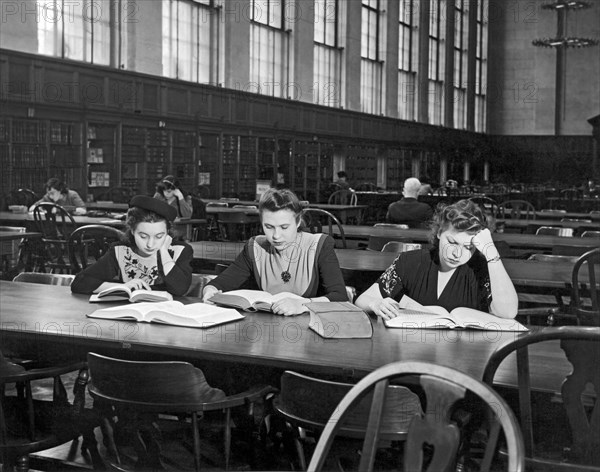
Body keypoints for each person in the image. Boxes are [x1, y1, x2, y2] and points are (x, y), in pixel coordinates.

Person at [356, 199, 518, 320]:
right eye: (452, 242)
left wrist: (491, 253)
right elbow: (362, 300)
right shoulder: (410, 261)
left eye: (468, 247)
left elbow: (508, 313)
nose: (457, 253)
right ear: (439, 233)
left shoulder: (482, 269)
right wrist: (376, 304)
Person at [202, 188, 348, 316]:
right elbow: (221, 282)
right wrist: (209, 290)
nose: (276, 236)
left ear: (298, 222)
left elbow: (340, 297)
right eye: (269, 227)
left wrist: (303, 305)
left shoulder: (320, 246)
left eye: (284, 227)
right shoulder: (255, 247)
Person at [71, 195, 193, 296]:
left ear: (167, 234)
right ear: (133, 231)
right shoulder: (121, 251)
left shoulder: (180, 251)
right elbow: (80, 283)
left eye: (159, 236)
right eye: (143, 236)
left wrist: (164, 252)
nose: (150, 244)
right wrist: (122, 287)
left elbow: (180, 289)